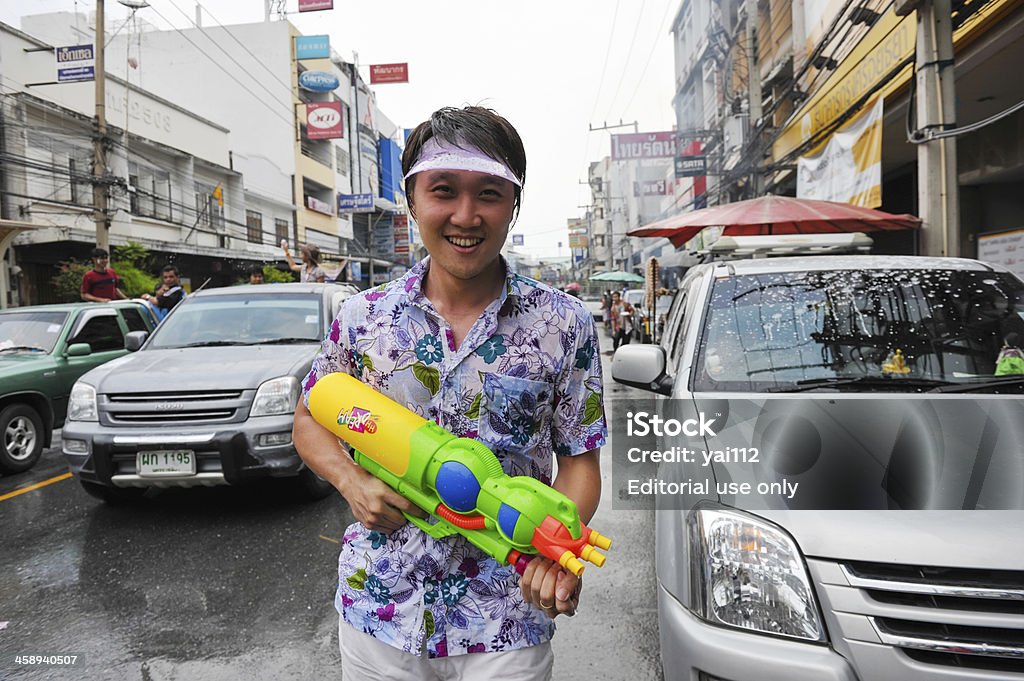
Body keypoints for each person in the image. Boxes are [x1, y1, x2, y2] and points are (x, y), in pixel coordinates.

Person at [292, 106, 607, 680]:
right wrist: (351, 482)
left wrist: (552, 547)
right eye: (444, 191)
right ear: (413, 201)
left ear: (514, 205)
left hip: (506, 617)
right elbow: (311, 417)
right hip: (380, 607)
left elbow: (580, 460)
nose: (466, 215)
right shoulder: (364, 317)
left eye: (489, 193)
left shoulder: (564, 323)